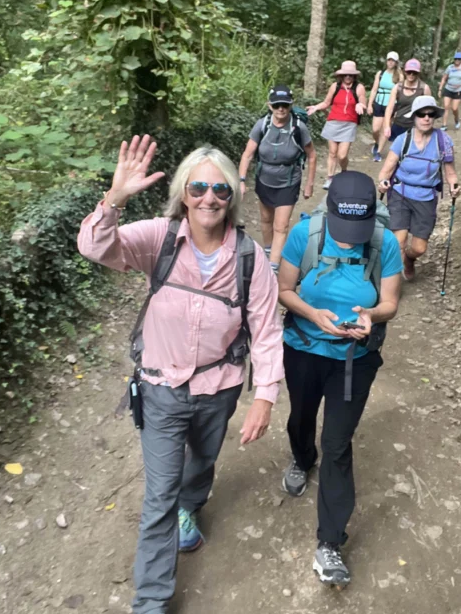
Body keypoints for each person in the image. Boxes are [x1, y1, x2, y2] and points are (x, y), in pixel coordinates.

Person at [78, 136, 284, 614]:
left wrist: (265, 397)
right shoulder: (158, 238)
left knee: (203, 462)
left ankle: (193, 504)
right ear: (182, 193)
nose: (208, 198)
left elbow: (268, 331)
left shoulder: (251, 259)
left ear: (233, 196)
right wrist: (115, 198)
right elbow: (95, 248)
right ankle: (151, 601)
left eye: (220, 189)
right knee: (159, 499)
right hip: (161, 389)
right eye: (198, 188)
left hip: (221, 388)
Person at [278, 171, 402, 588]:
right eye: (343, 229)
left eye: (358, 230)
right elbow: (284, 289)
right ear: (328, 213)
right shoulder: (304, 234)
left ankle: (330, 542)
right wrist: (313, 315)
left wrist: (371, 317)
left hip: (356, 358)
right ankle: (300, 457)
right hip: (302, 347)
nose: (350, 238)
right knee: (300, 418)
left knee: (337, 444)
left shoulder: (385, 243)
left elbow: (390, 302)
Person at [378, 96, 460, 281]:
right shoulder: (402, 140)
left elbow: (451, 173)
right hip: (400, 193)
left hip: (426, 197)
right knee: (398, 242)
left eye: (430, 114)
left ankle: (409, 259)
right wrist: (383, 182)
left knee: (419, 248)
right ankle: (394, 283)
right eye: (421, 114)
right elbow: (386, 170)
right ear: (414, 117)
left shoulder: (443, 141)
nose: (426, 118)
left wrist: (454, 186)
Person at [238, 84, 316, 273]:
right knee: (266, 219)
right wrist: (241, 180)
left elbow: (312, 155)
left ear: (291, 105)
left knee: (280, 226)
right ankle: (267, 251)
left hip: (288, 182)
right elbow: (247, 154)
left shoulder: (299, 128)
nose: (281, 109)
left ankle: (273, 268)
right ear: (269, 105)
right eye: (276, 105)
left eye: (285, 105)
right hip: (264, 179)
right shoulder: (262, 125)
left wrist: (309, 184)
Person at [307, 60, 367, 190]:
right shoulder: (335, 86)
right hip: (333, 122)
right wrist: (316, 107)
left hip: (349, 124)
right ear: (341, 76)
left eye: (350, 75)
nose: (348, 77)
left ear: (354, 76)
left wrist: (359, 105)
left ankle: (344, 171)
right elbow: (326, 102)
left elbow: (363, 103)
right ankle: (330, 178)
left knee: (342, 155)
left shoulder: (359, 87)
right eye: (345, 75)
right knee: (332, 153)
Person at [383, 58, 431, 143]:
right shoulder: (397, 87)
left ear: (418, 73)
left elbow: (429, 110)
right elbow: (389, 108)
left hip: (415, 126)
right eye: (409, 72)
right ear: (405, 72)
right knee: (396, 152)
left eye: (414, 72)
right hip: (399, 124)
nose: (411, 74)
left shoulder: (424, 88)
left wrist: (427, 127)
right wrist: (387, 126)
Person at [367, 51, 402, 163]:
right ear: (386, 61)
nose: (390, 62)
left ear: (396, 62)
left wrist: (398, 109)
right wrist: (369, 104)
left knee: (385, 129)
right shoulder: (380, 73)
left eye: (393, 60)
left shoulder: (399, 76)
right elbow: (374, 89)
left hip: (391, 105)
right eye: (389, 60)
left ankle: (378, 152)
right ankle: (377, 142)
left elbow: (401, 94)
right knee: (375, 129)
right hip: (379, 102)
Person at [438, 51, 461, 130]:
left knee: (454, 108)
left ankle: (456, 119)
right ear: (454, 59)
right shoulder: (450, 67)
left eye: (459, 59)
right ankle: (444, 125)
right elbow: (444, 78)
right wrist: (440, 89)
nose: (457, 60)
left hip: (458, 91)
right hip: (448, 89)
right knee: (446, 107)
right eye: (456, 59)